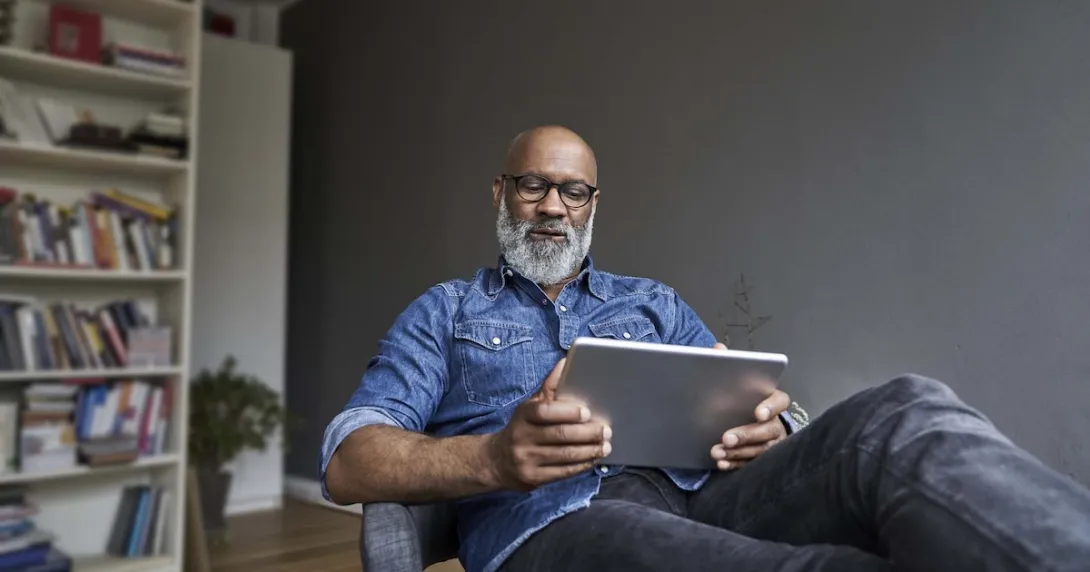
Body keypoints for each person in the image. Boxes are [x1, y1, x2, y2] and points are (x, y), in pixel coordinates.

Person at [320, 125, 1090, 572]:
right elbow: (349, 460)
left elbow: (748, 394)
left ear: (593, 205)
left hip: (708, 494)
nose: (552, 205)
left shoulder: (650, 301)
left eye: (573, 190)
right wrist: (493, 460)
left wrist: (775, 425)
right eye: (532, 185)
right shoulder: (446, 311)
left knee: (906, 413)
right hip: (551, 524)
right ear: (500, 194)